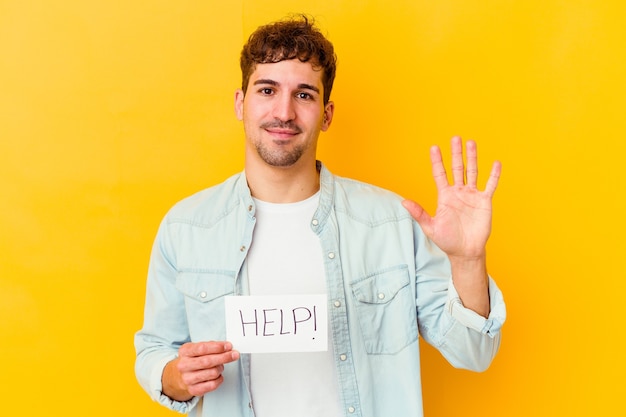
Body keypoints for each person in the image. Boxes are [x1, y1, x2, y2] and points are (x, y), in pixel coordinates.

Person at [134, 15, 506, 417]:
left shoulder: (391, 223)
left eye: (304, 95)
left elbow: (474, 352)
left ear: (326, 115)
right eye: (267, 89)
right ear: (241, 103)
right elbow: (154, 351)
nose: (284, 111)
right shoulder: (186, 227)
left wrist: (468, 262)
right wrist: (175, 376)